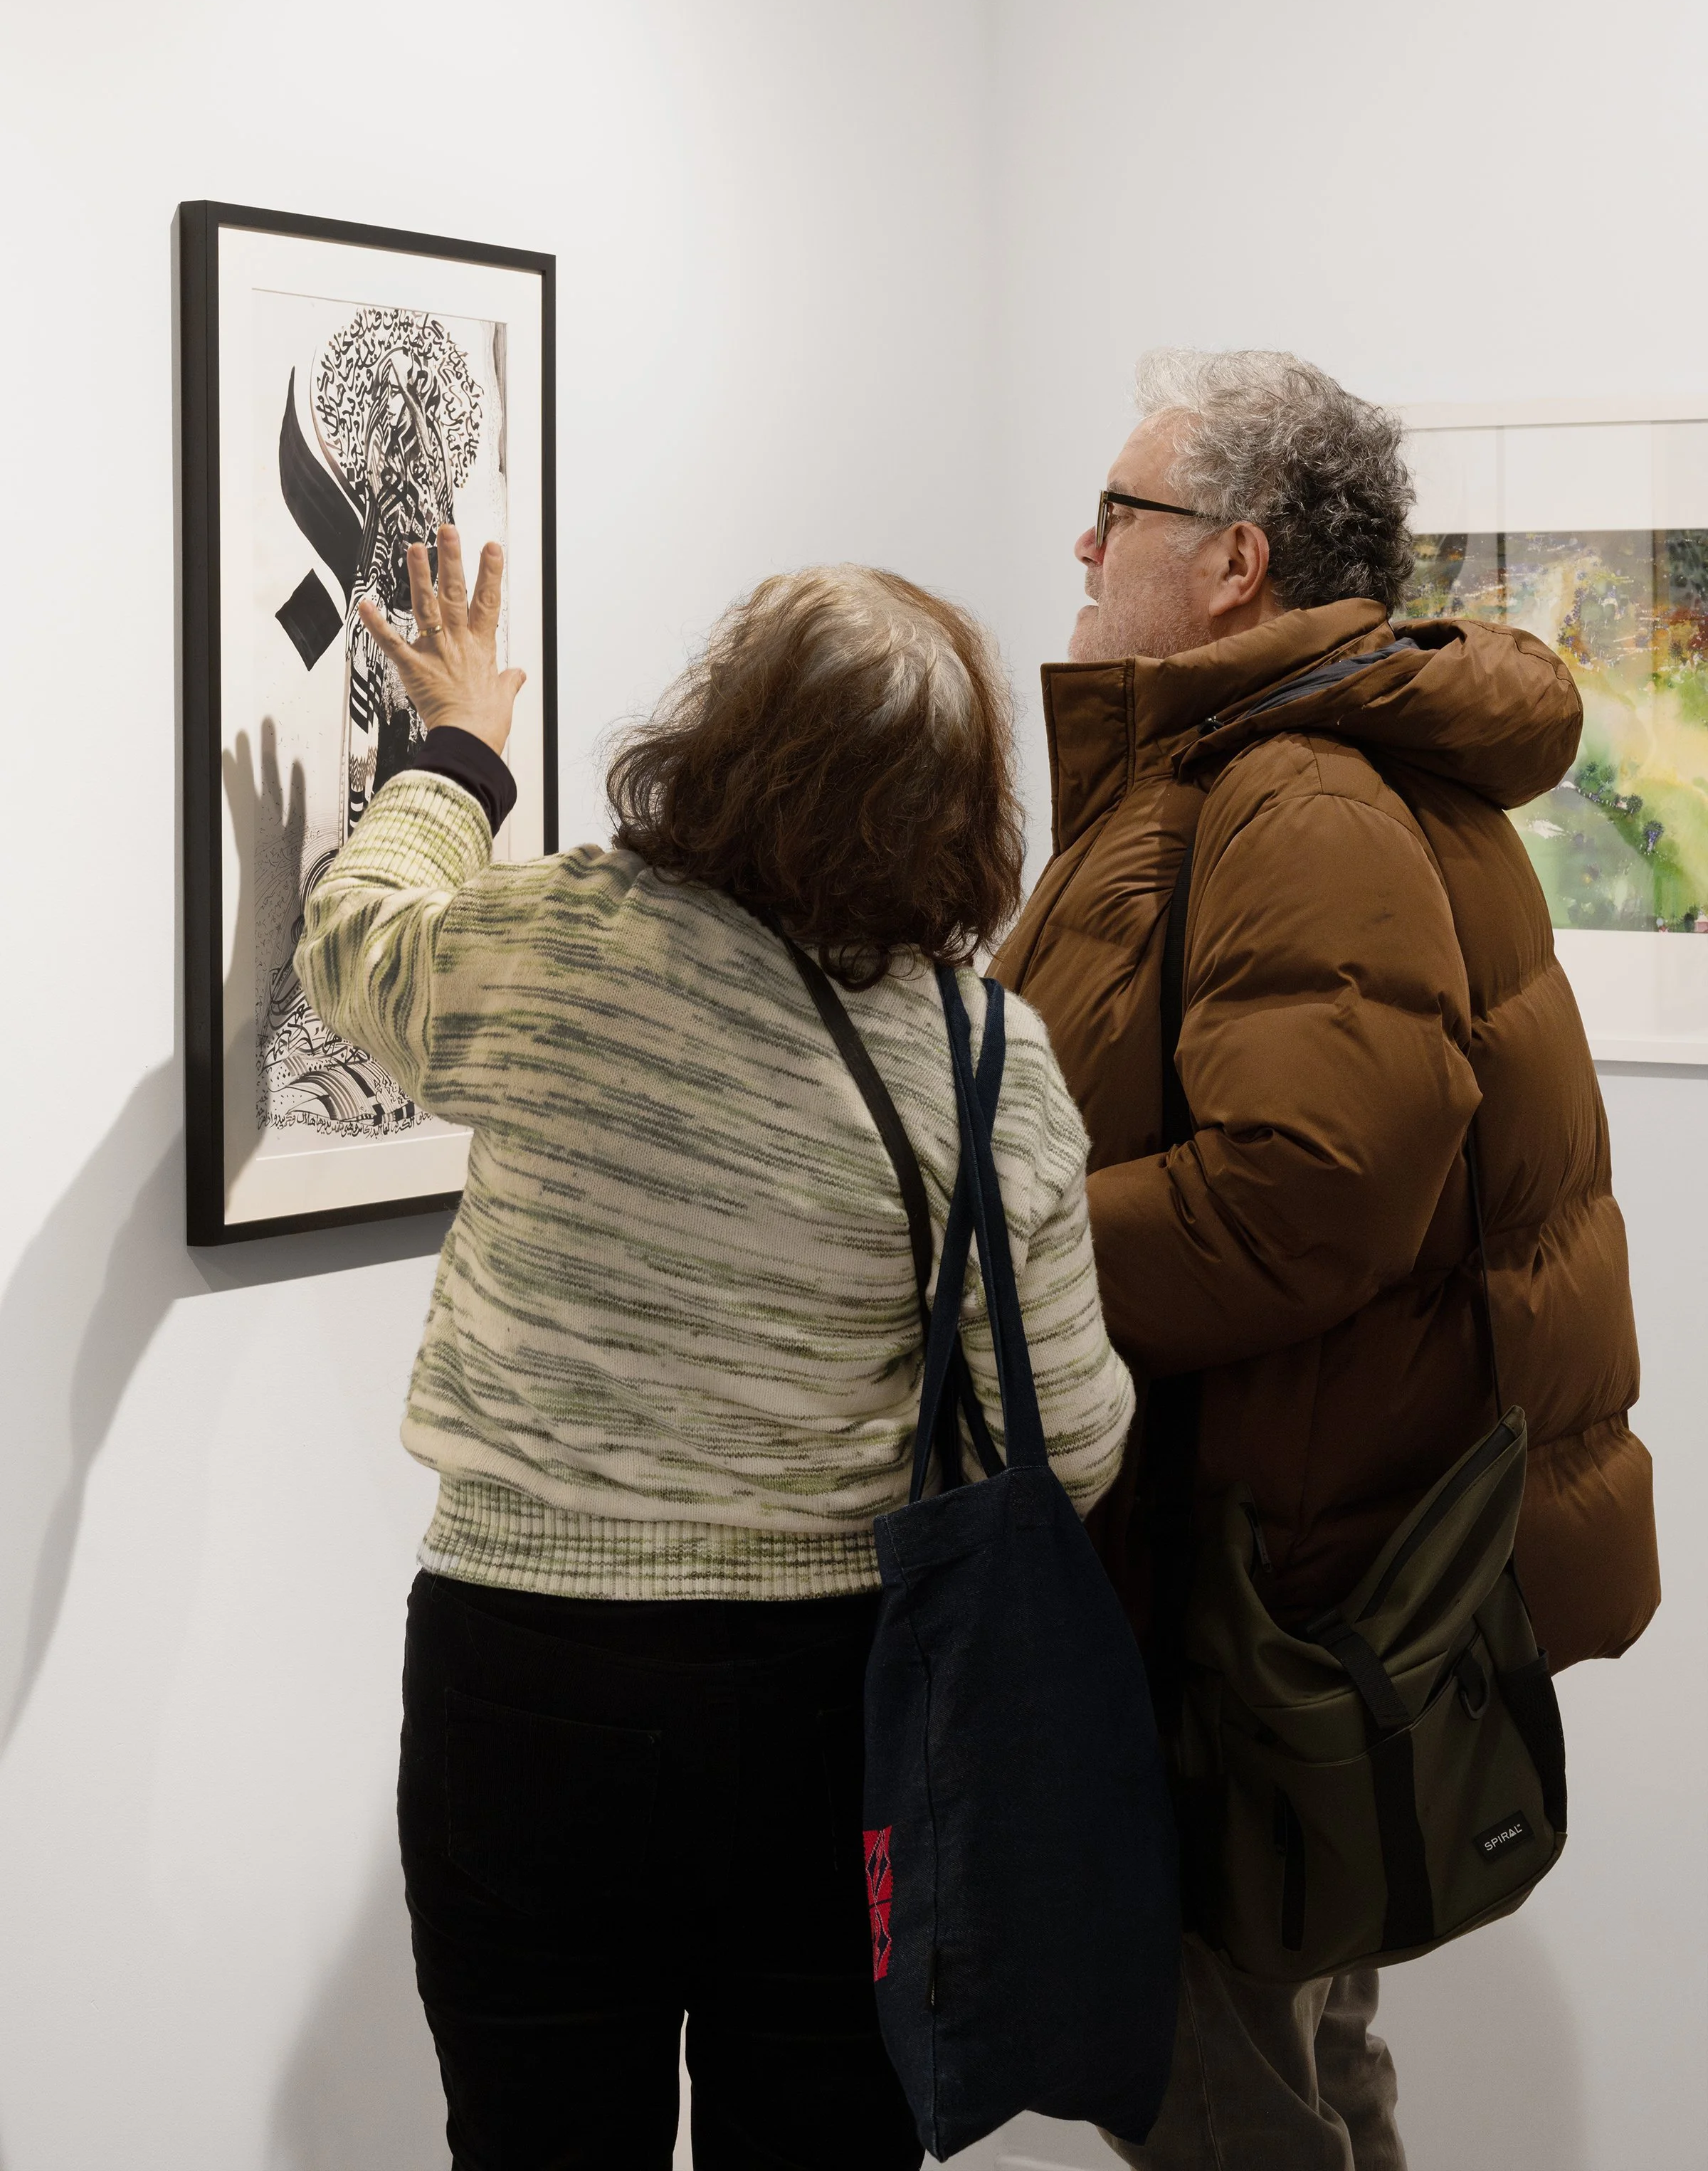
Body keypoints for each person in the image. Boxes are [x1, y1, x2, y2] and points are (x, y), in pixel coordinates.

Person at [295, 527, 1135, 2171]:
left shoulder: (550, 952)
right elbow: (1075, 1445)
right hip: (839, 1704)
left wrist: (460, 741)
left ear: (721, 744)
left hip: (525, 1675)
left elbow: (360, 938)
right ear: (962, 807)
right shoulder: (987, 1061)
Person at [991, 349, 1660, 2171]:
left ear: (1234, 560)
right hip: (1315, 1550)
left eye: (1120, 511)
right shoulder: (1307, 763)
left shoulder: (1295, 790)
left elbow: (1311, 1192)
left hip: (1261, 1577)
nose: (1082, 540)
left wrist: (1001, 1256)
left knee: (1210, 2075)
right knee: (1299, 2044)